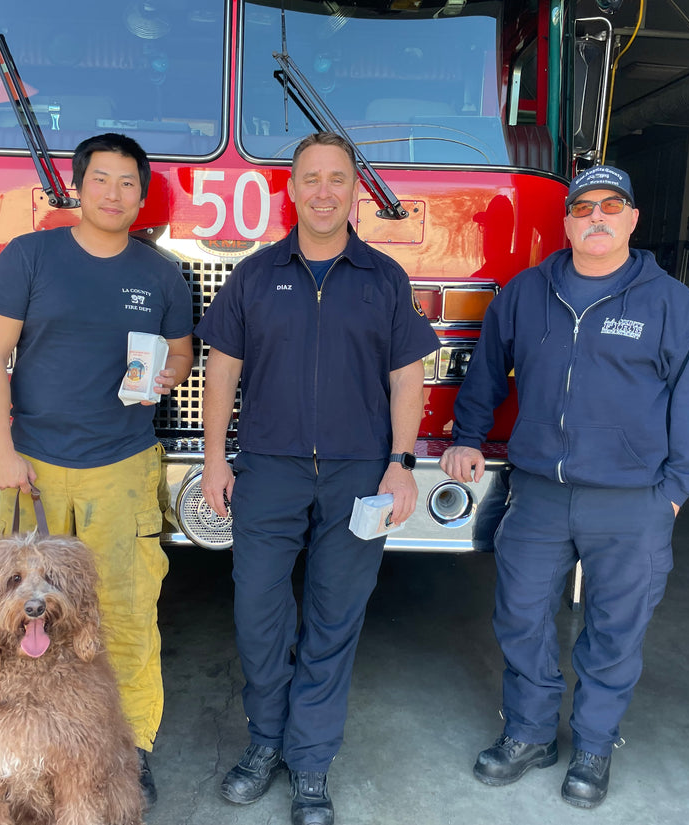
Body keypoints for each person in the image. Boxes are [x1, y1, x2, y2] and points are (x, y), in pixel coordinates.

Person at [441, 165, 689, 809]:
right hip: (541, 493)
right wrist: (467, 435)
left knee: (614, 630)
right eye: (583, 207)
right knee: (520, 617)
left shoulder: (669, 303)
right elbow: (488, 368)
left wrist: (678, 489)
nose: (596, 216)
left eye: (611, 205)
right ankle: (529, 734)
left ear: (631, 220)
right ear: (567, 222)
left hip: (633, 503)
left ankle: (595, 746)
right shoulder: (527, 292)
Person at [196, 132, 439, 825]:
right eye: (311, 179)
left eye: (338, 178)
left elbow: (406, 376)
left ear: (354, 188)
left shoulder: (384, 278)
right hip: (267, 469)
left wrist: (400, 462)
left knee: (335, 619)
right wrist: (216, 457)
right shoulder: (254, 273)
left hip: (359, 473)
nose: (325, 191)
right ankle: (264, 742)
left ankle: (309, 763)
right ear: (293, 189)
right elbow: (222, 371)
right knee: (258, 615)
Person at [0, 132, 194, 809]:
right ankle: (3, 748)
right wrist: (2, 451)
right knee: (8, 616)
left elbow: (182, 357)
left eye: (128, 182)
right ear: (78, 185)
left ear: (142, 195)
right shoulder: (31, 257)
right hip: (33, 467)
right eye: (102, 179)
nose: (114, 193)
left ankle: (130, 748)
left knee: (126, 613)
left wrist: (165, 375)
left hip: (122, 466)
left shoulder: (160, 274)